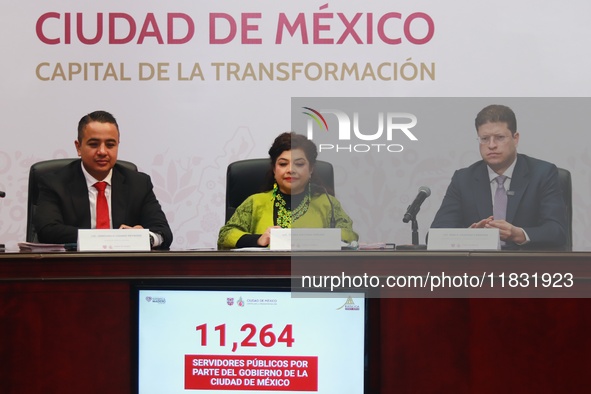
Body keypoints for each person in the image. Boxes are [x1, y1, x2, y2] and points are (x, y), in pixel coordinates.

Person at [430, 104, 568, 250]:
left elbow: (557, 231)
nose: (491, 145)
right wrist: (469, 237)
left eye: (499, 137)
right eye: (484, 139)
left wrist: (518, 234)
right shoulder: (463, 179)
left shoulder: (543, 173)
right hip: (478, 268)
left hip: (527, 267)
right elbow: (436, 234)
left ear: (515, 139)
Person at [33, 110, 173, 249]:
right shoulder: (54, 183)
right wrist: (111, 239)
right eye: (94, 144)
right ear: (78, 147)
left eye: (110, 145)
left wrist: (144, 237)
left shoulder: (139, 184)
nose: (102, 151)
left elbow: (163, 232)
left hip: (125, 267)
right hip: (73, 266)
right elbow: (48, 231)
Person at [218, 132, 358, 249]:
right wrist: (258, 239)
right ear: (274, 169)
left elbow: (350, 236)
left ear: (310, 170)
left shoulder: (327, 203)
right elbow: (225, 236)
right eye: (283, 164)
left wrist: (318, 238)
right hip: (264, 276)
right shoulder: (255, 202)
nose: (291, 170)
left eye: (299, 164)